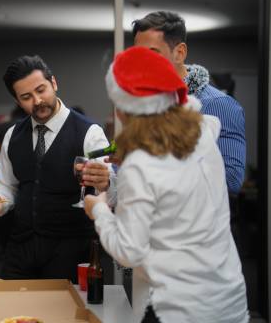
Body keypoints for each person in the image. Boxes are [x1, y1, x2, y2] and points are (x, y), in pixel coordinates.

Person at [84, 46, 248, 323]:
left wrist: (98, 209)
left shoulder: (141, 165)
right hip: (228, 299)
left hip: (177, 308)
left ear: (123, 109)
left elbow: (128, 251)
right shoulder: (204, 134)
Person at [0, 55, 114, 282]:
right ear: (18, 101)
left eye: (41, 90)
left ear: (54, 83)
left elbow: (107, 191)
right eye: (26, 97)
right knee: (10, 313)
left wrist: (106, 181)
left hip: (71, 249)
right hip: (20, 249)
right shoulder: (12, 135)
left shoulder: (90, 132)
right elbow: (7, 187)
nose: (37, 100)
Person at [132, 11, 246, 194]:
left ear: (180, 53)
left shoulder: (220, 105)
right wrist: (109, 180)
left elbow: (231, 180)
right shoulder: (141, 105)